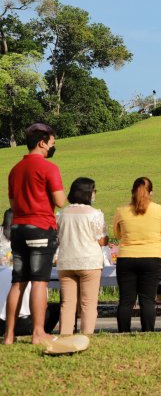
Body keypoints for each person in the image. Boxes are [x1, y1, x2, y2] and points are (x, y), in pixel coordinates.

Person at [4, 123, 65, 345]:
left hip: (18, 228)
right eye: (51, 144)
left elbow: (12, 203)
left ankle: (8, 335)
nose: (51, 148)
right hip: (41, 227)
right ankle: (38, 332)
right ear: (42, 142)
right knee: (39, 282)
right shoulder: (49, 168)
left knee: (18, 282)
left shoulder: (15, 170)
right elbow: (60, 201)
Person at [113, 177, 161, 332]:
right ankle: (148, 332)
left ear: (132, 192)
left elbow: (117, 234)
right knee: (147, 300)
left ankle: (123, 332)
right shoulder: (159, 210)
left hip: (126, 258)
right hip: (152, 257)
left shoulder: (121, 211)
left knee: (126, 300)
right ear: (151, 193)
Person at [56, 177, 107, 335]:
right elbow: (102, 240)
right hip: (89, 262)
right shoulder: (95, 214)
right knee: (88, 303)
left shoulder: (61, 214)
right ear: (88, 193)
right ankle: (86, 336)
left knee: (67, 303)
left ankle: (65, 335)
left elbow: (57, 238)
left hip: (66, 262)